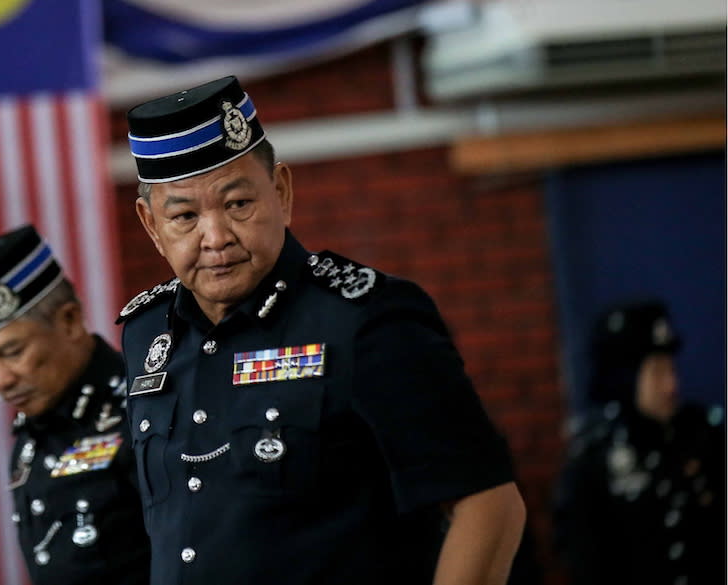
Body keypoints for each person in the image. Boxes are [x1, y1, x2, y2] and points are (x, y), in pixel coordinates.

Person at [116, 75, 526, 584]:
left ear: (281, 192)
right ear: (152, 226)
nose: (215, 237)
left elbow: (489, 507)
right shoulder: (144, 334)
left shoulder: (367, 320)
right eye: (184, 216)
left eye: (238, 204)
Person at [0, 225, 150, 585]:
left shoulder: (144, 412)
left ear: (69, 321)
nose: (1, 379)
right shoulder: (33, 435)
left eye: (13, 352)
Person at [553, 299, 725, 585]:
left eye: (671, 368)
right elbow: (585, 560)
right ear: (626, 377)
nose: (672, 384)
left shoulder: (703, 434)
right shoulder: (594, 458)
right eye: (656, 372)